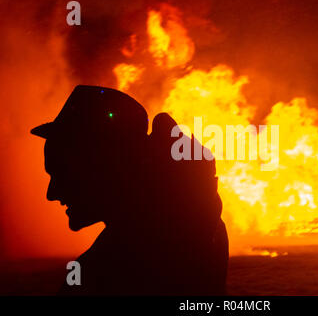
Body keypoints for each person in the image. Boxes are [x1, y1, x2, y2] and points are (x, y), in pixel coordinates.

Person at [31, 85, 228, 295]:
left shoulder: (114, 266)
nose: (51, 193)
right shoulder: (197, 223)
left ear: (105, 167)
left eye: (62, 174)